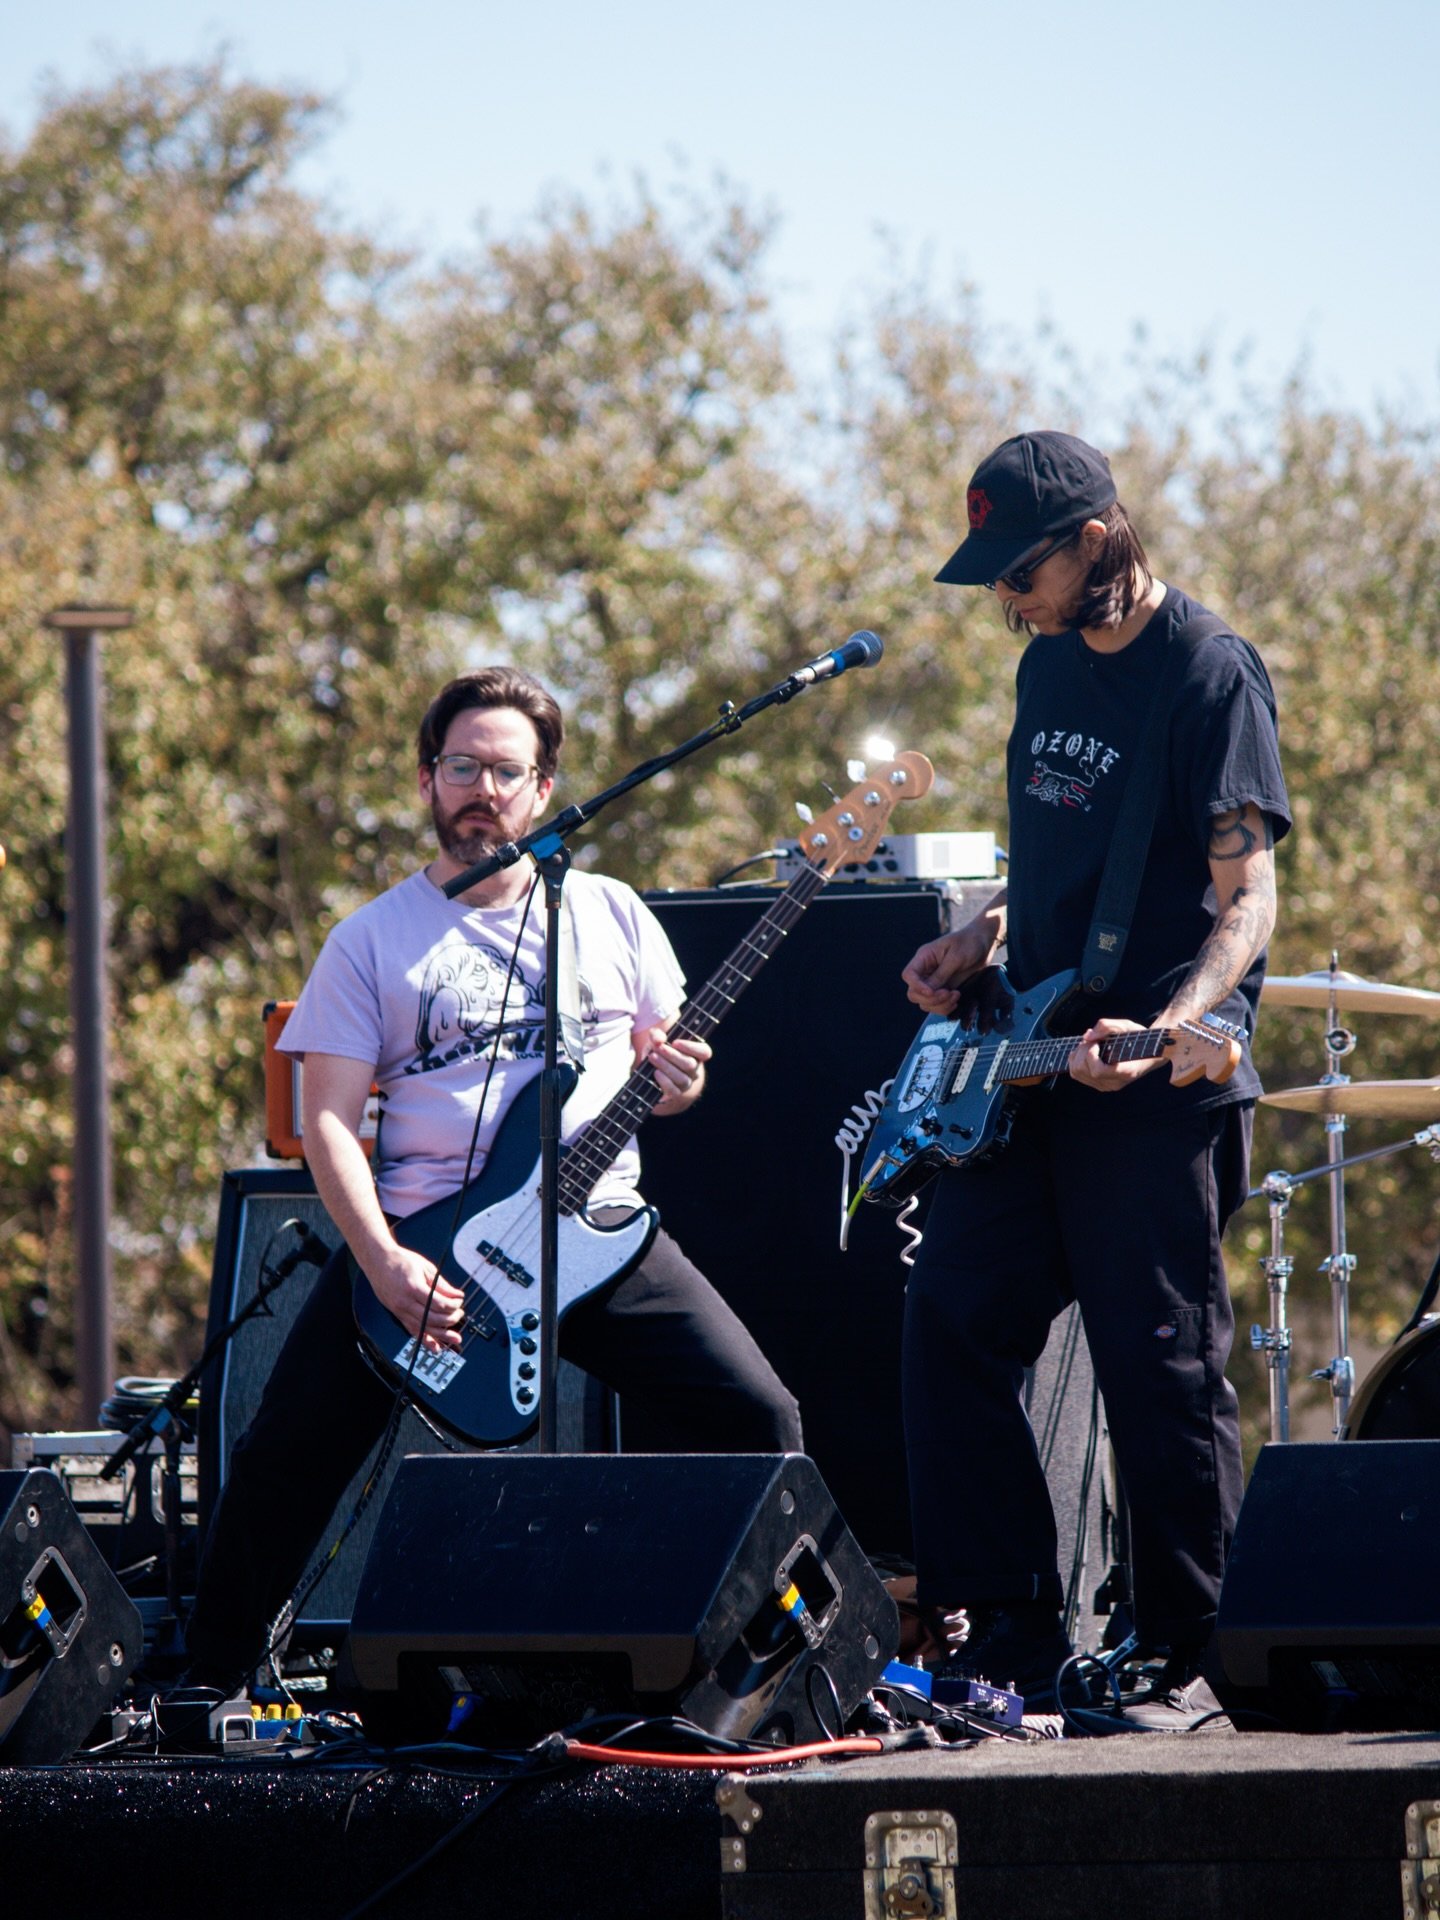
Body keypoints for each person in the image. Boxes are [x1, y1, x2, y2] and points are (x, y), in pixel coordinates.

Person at [186, 666, 801, 1686]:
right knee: (282, 1458)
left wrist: (680, 1077)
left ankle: (757, 1671)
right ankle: (206, 1690)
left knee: (759, 1416)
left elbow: (671, 1078)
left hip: (597, 1228)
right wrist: (381, 1262)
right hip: (425, 1247)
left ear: (544, 788)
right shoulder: (371, 940)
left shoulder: (609, 913)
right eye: (461, 766)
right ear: (427, 781)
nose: (482, 790)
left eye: (505, 771)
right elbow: (327, 1123)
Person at [898, 431, 1289, 1728]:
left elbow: (1248, 893)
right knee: (952, 1317)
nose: (1010, 600)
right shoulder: (1046, 664)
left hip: (1155, 1074)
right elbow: (1058, 858)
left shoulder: (1210, 672)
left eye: (1024, 573)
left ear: (1098, 541)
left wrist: (1180, 1020)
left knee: (1155, 1361)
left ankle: (1192, 1650)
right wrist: (982, 932)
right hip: (1035, 1058)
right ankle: (1012, 1631)